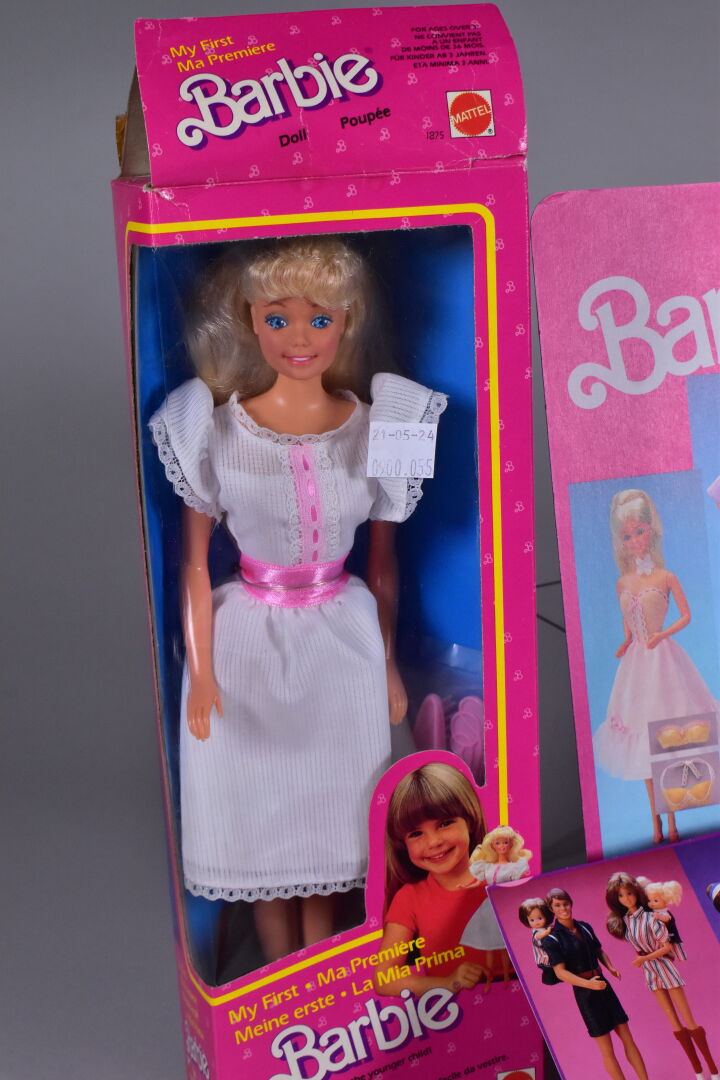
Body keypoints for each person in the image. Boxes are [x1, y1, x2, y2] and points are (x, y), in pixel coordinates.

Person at [149, 236, 446, 962]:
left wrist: (387, 664)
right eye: (277, 319)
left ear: (347, 321)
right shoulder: (213, 431)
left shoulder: (381, 424)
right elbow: (193, 563)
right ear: (250, 320)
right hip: (247, 642)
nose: (299, 338)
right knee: (262, 825)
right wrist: (203, 672)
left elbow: (384, 564)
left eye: (320, 319)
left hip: (342, 640)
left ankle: (326, 973)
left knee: (336, 818)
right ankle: (280, 977)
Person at [592, 489, 719, 844]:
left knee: (668, 740)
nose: (635, 540)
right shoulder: (622, 582)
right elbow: (628, 621)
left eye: (640, 531)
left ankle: (674, 821)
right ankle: (657, 825)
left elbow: (687, 615)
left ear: (651, 531)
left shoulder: (666, 577)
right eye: (627, 535)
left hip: (664, 662)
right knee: (643, 745)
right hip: (635, 668)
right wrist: (624, 641)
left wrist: (662, 634)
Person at [374, 761, 495, 996]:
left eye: (445, 824)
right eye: (416, 833)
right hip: (456, 1011)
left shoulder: (501, 877)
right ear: (402, 844)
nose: (433, 842)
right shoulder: (409, 898)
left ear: (470, 820)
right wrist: (448, 982)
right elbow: (384, 978)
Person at [606, 872, 718, 1080]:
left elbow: (666, 947)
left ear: (636, 892)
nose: (626, 899)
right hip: (650, 973)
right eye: (621, 895)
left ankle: (713, 1070)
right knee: (675, 1026)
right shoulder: (625, 921)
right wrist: (643, 960)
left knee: (690, 1022)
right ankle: (698, 1072)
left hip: (664, 967)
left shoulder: (652, 916)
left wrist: (643, 958)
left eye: (629, 893)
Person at [542, 888, 648, 1080]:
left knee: (628, 1038)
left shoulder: (585, 927)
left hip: (604, 986)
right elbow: (560, 972)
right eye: (557, 905)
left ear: (571, 904)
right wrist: (587, 984)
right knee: (607, 1049)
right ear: (551, 909)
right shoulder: (552, 938)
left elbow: (599, 951)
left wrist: (610, 967)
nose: (563, 908)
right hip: (586, 994)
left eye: (565, 904)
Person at [518, 897, 558, 985]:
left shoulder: (545, 927)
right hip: (544, 959)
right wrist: (547, 932)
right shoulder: (537, 931)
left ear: (546, 916)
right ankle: (548, 980)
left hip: (551, 957)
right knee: (549, 973)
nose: (536, 922)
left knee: (555, 970)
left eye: (540, 918)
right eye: (532, 920)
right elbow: (538, 937)